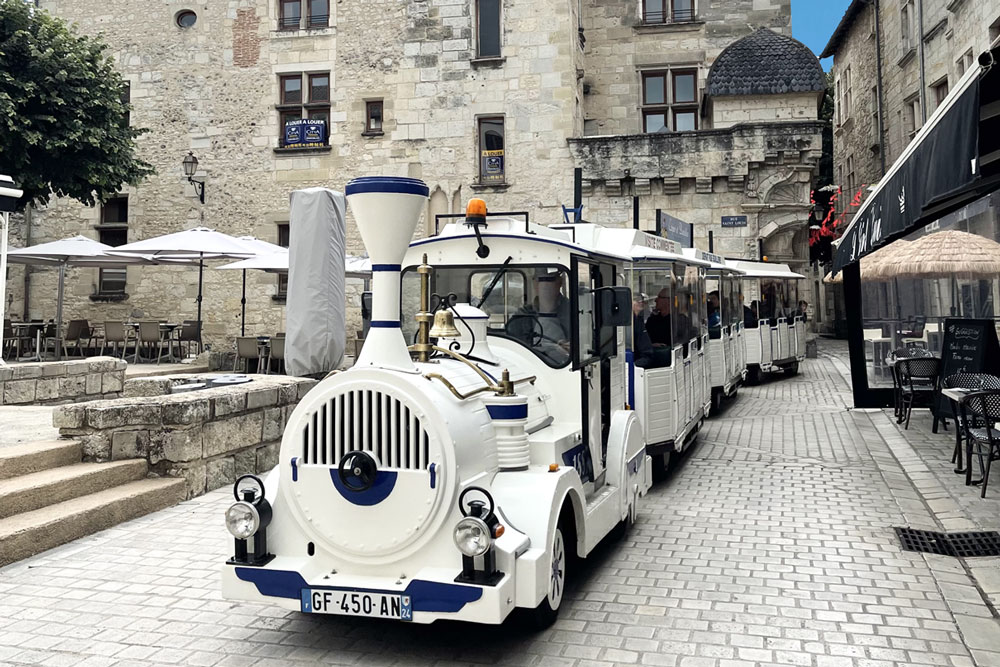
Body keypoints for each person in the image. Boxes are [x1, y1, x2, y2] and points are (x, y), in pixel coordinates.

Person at [507, 268, 572, 364]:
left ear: (560, 282)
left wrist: (571, 347)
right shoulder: (523, 315)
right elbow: (511, 343)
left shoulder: (573, 311)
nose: (545, 285)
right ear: (534, 283)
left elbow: (586, 342)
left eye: (550, 280)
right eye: (540, 280)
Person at [632, 296, 654, 367]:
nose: (641, 302)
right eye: (636, 300)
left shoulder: (639, 322)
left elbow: (647, 353)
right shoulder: (626, 322)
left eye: (642, 300)